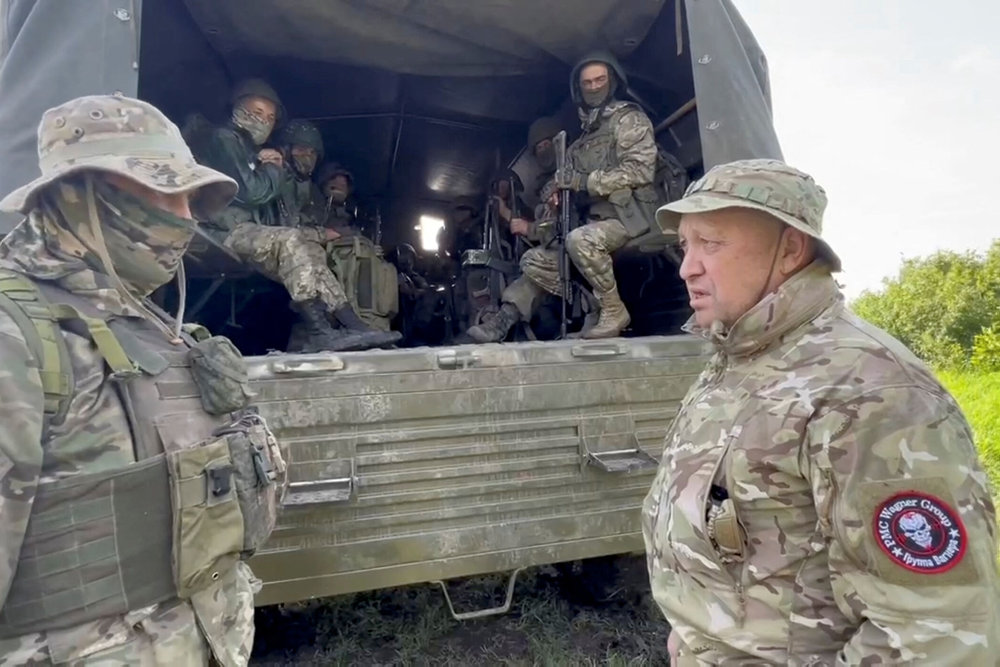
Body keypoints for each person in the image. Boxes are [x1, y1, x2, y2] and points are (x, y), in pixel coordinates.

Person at [642, 158, 1000, 664]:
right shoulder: (742, 357)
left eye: (712, 244)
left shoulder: (871, 391)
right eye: (686, 245)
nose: (687, 267)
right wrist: (695, 630)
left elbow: (934, 635)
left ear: (789, 249)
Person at [0, 94, 288, 665]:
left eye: (188, 197)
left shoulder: (144, 316)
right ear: (80, 191)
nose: (184, 218)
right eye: (162, 190)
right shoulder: (16, 332)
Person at [468, 53, 658, 342]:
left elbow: (640, 171)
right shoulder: (579, 143)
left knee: (579, 241)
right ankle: (504, 319)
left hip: (629, 218)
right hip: (591, 222)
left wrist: (584, 182)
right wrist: (557, 199)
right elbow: (563, 190)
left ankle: (612, 309)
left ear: (613, 82)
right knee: (534, 259)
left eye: (600, 80)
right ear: (578, 89)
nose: (594, 87)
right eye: (587, 83)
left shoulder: (628, 119)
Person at [199, 79, 399, 351]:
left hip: (242, 231)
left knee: (309, 250)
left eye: (269, 117)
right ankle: (320, 331)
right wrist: (272, 167)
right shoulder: (225, 138)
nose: (263, 121)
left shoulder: (248, 149)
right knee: (292, 240)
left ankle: (354, 326)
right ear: (237, 109)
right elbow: (253, 192)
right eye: (256, 112)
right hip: (218, 231)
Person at [274, 118, 326, 227]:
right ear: (285, 150)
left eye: (313, 152)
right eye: (301, 149)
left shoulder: (313, 191)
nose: (307, 156)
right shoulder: (272, 181)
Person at [316, 162, 365, 238]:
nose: (341, 183)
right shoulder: (312, 210)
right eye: (333, 180)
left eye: (344, 184)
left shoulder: (352, 217)